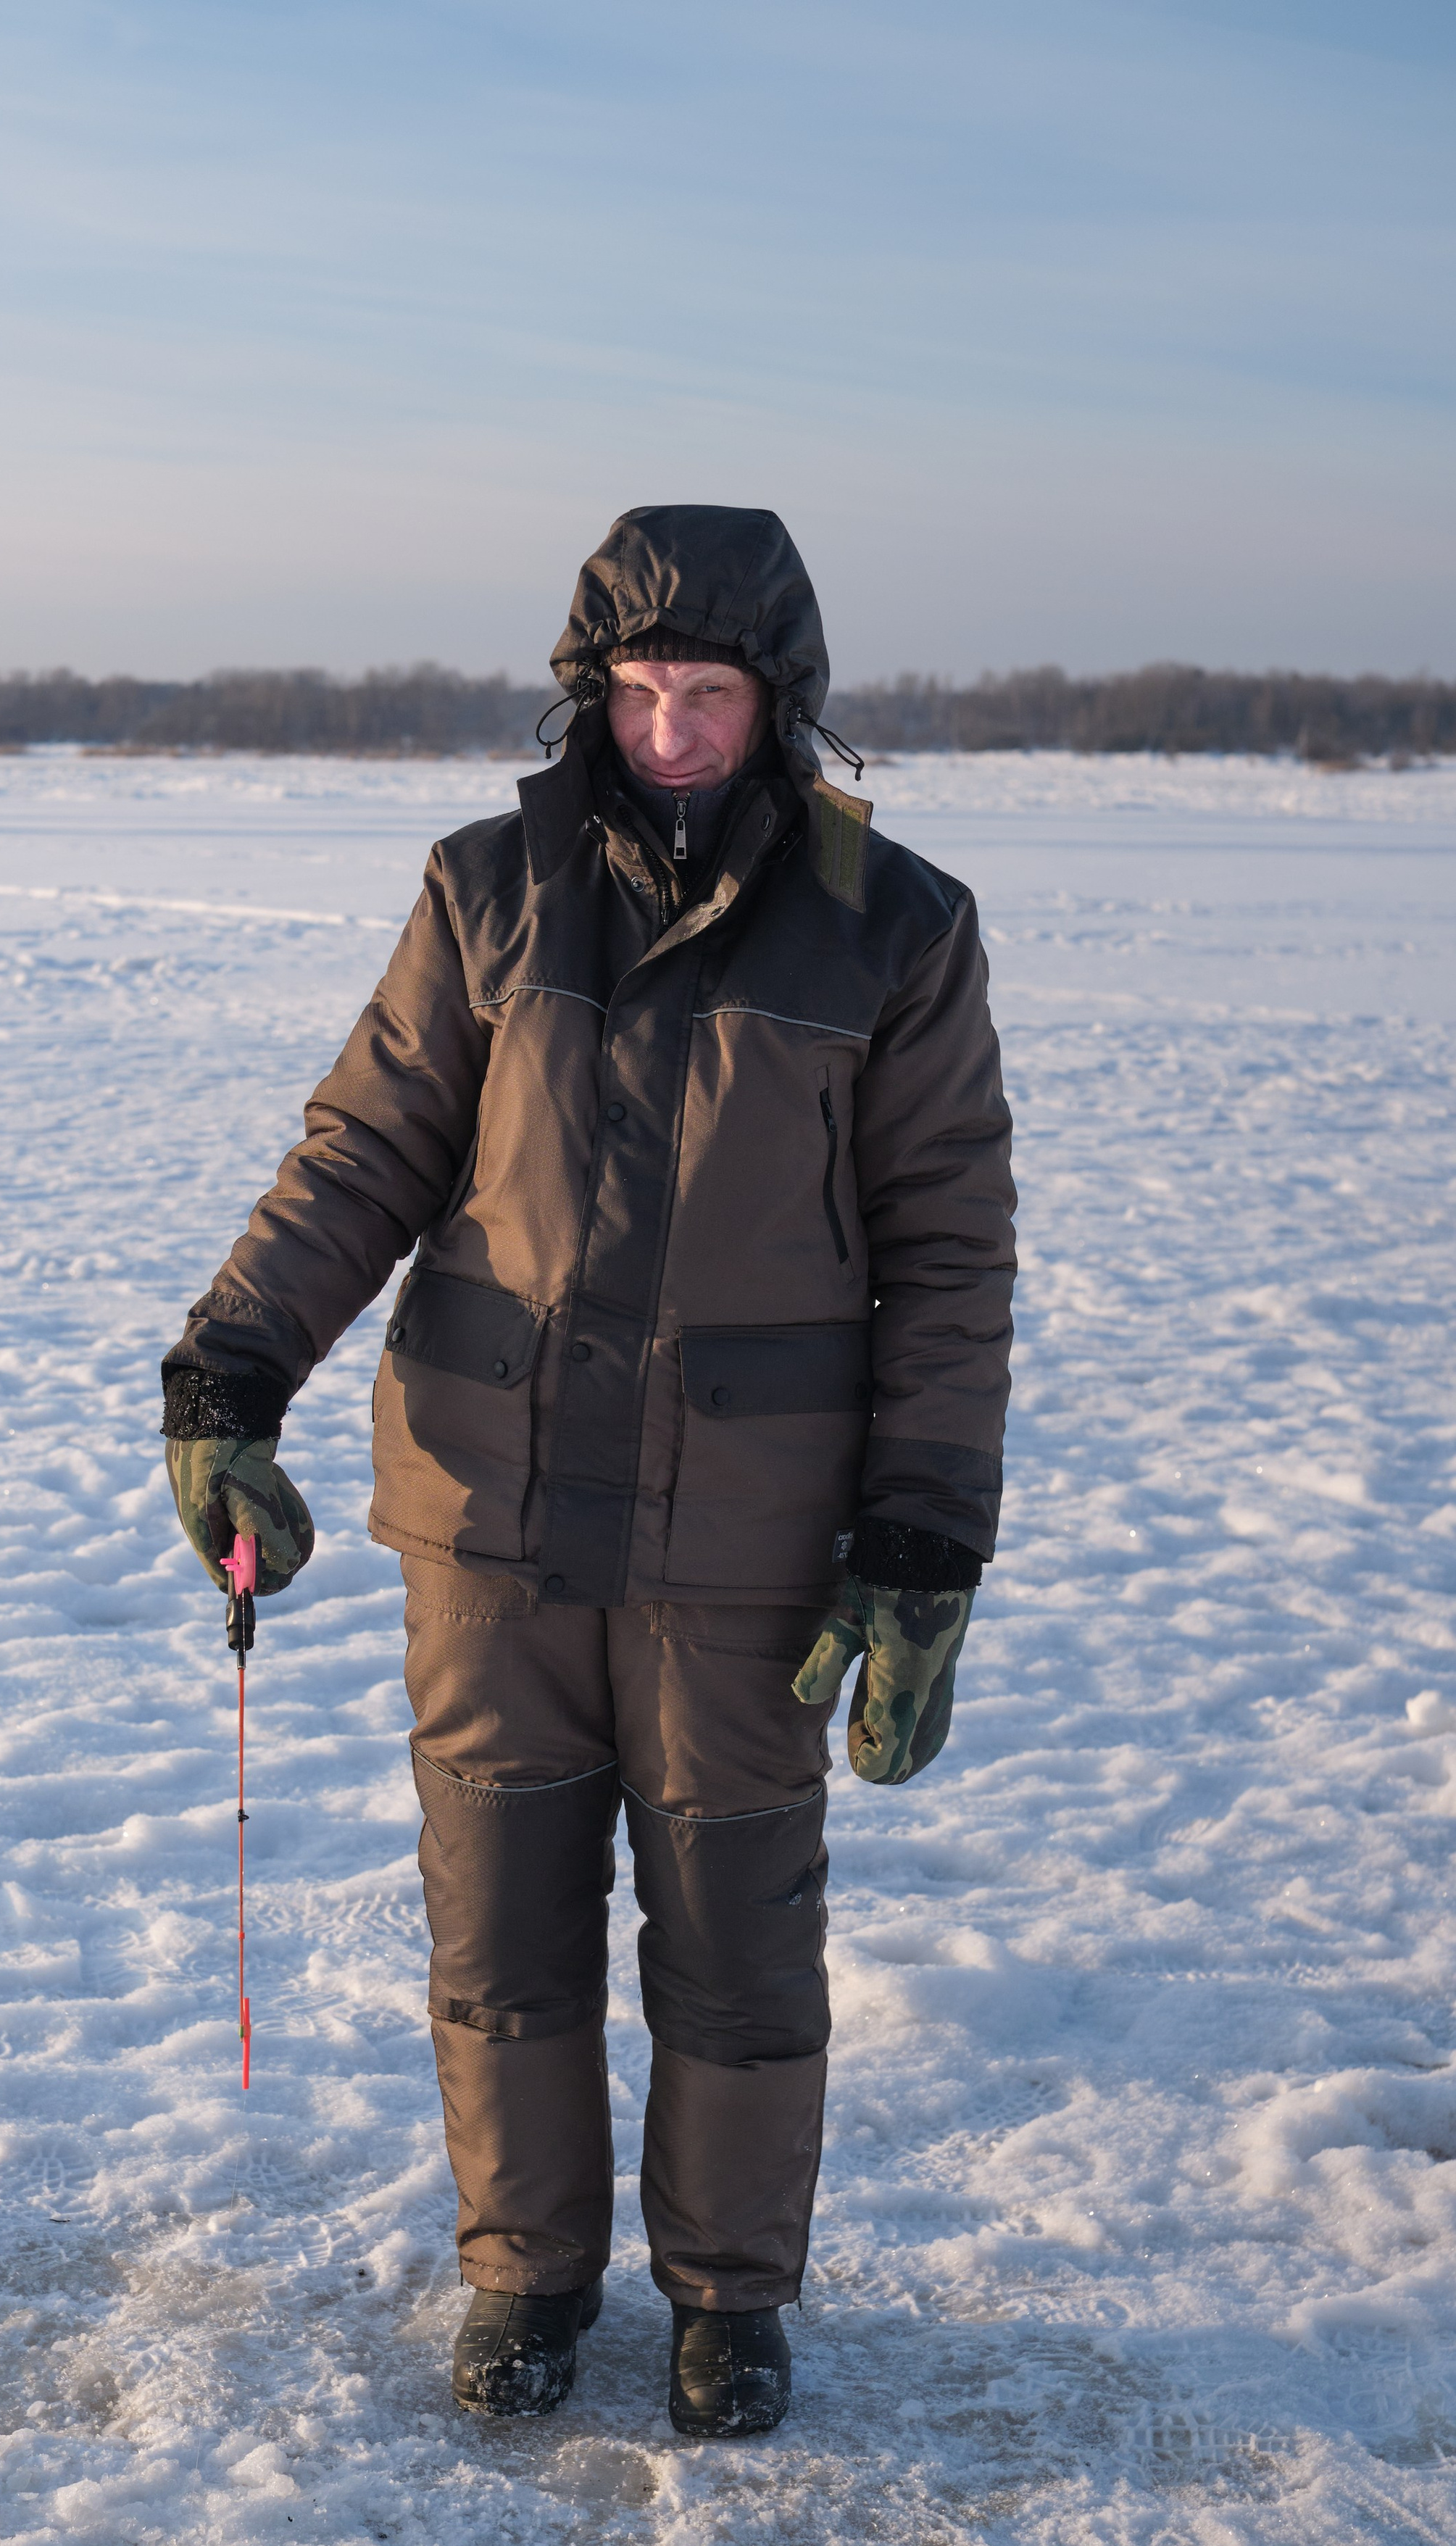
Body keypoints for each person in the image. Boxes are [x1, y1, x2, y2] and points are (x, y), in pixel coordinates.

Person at [162, 506, 1015, 2439]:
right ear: (589, 691)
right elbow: (363, 1156)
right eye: (638, 687)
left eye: (711, 690)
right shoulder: (491, 892)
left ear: (781, 703)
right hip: (492, 1519)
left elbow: (951, 1257)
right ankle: (526, 2279)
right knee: (502, 1920)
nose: (674, 726)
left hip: (748, 1538)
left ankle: (729, 2300)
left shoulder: (897, 927)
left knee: (734, 1938)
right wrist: (226, 1372)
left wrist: (925, 1535)